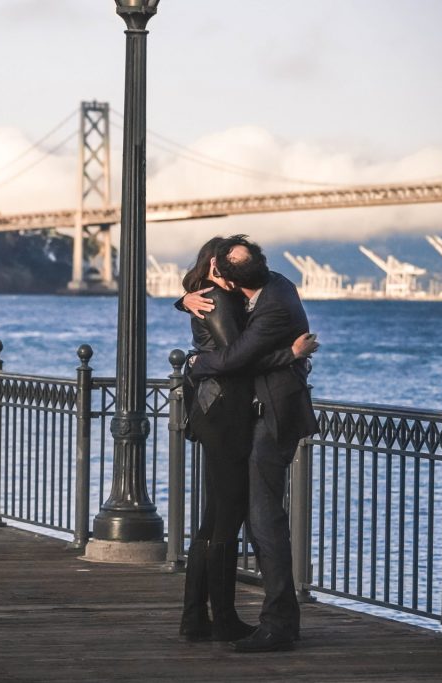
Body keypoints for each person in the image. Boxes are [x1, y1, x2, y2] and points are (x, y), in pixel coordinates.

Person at [176, 237, 317, 644]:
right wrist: (289, 353)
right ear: (215, 269)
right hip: (223, 414)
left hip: (225, 413)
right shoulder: (219, 299)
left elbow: (235, 356)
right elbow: (237, 358)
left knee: (220, 517)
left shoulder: (240, 297)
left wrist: (194, 350)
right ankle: (217, 618)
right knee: (226, 518)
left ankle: (201, 619)